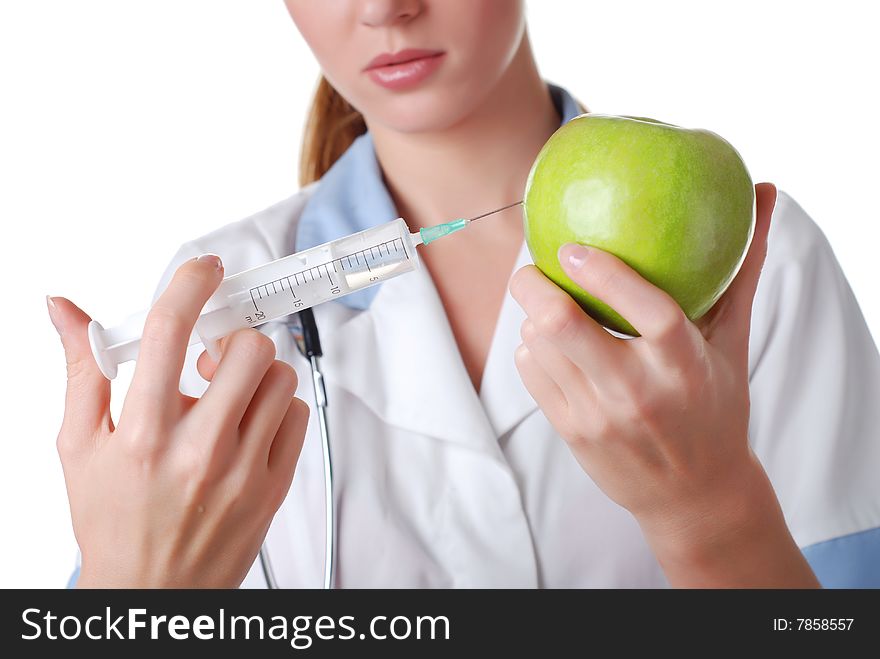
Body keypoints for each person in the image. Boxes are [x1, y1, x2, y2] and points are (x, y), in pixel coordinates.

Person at [48, 0, 880, 588]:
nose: (384, 8)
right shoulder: (217, 295)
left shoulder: (757, 267)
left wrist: (711, 508)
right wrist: (129, 599)